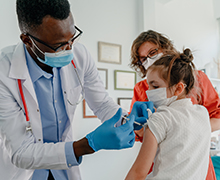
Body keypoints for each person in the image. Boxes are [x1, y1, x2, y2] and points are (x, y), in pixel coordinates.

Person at [0, 1, 155, 179]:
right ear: (27, 40)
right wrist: (89, 144)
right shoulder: (4, 72)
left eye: (72, 38)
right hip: (25, 173)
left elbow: (102, 104)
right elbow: (22, 152)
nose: (69, 49)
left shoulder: (80, 56)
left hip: (64, 171)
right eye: (59, 45)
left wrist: (126, 119)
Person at [129, 30, 220, 180]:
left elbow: (217, 117)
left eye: (153, 52)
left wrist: (182, 130)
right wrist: (136, 124)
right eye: (143, 59)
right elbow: (140, 134)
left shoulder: (198, 78)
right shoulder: (142, 88)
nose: (149, 60)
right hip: (162, 163)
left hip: (196, 163)